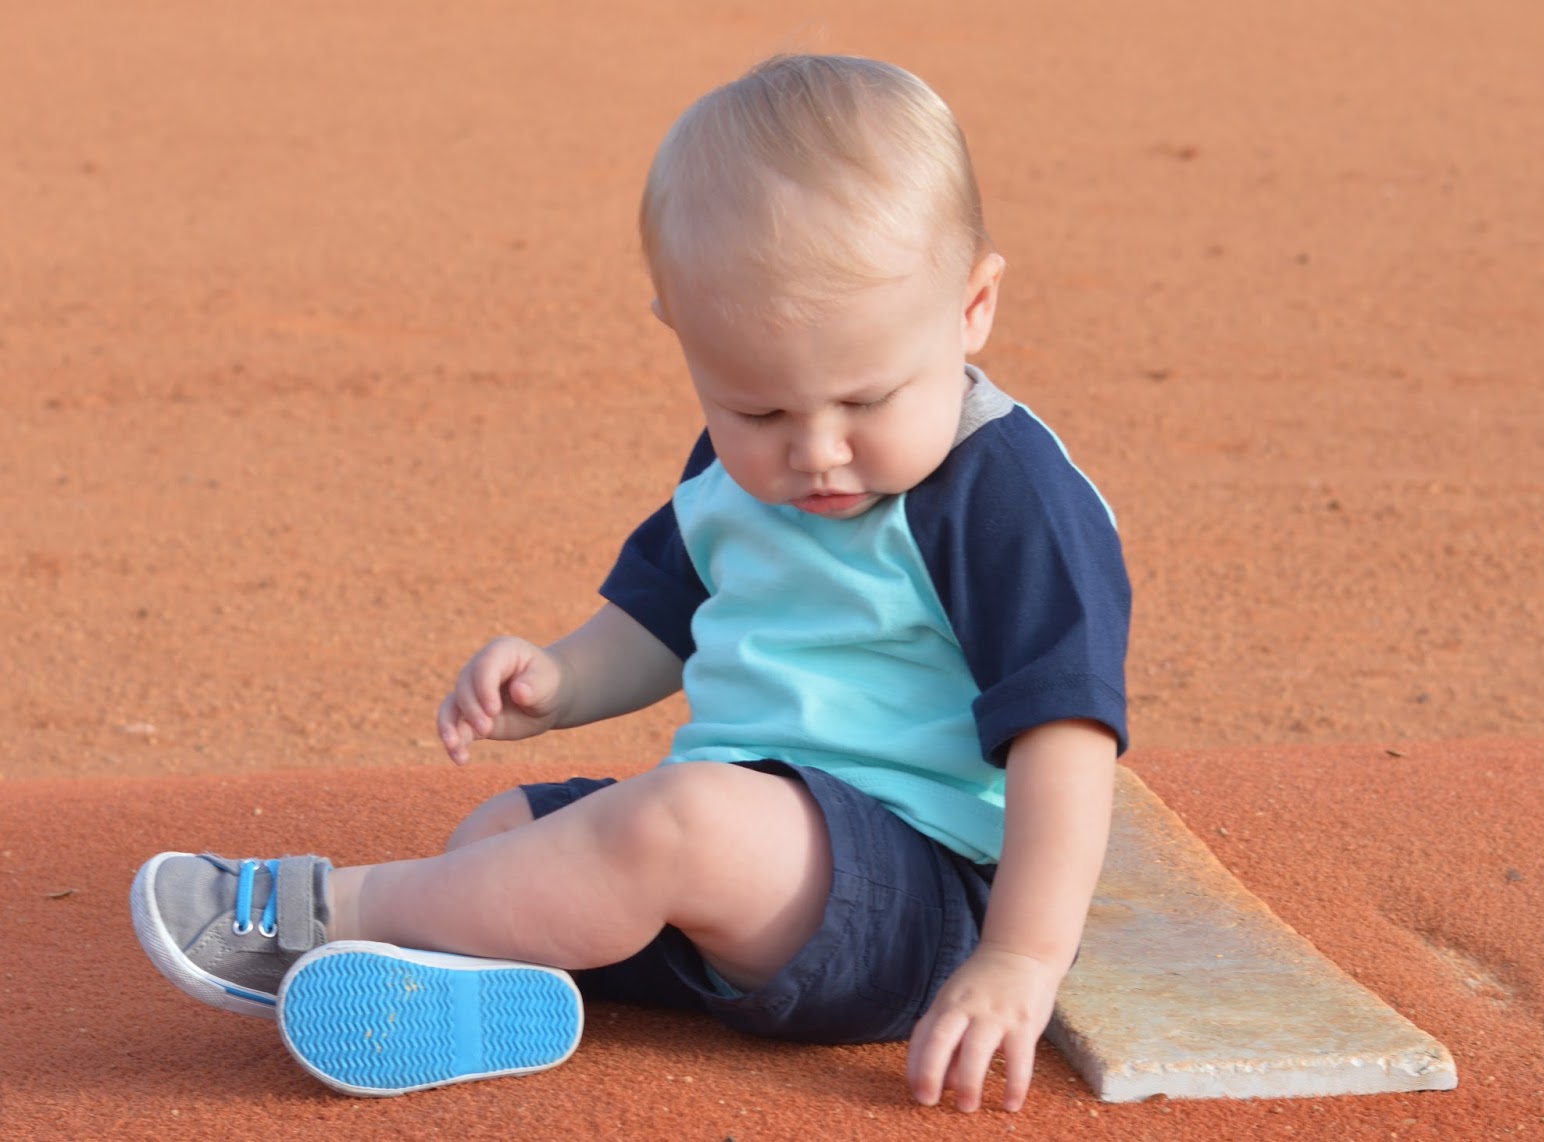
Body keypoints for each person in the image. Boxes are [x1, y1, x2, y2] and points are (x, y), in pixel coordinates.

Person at [130, 53, 1132, 1113]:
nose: (815, 451)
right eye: (757, 410)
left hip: (925, 903)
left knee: (678, 821)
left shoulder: (1009, 495)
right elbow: (661, 618)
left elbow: (1064, 735)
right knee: (503, 835)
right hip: (749, 874)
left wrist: (1020, 956)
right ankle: (489, 991)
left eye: (865, 400)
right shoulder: (731, 476)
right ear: (682, 339)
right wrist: (560, 680)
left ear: (973, 306)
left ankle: (324, 914)